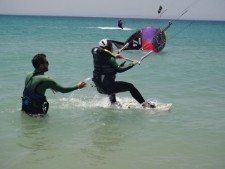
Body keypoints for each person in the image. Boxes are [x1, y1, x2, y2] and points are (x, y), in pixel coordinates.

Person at [91, 39, 155, 108]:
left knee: (111, 83)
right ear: (108, 48)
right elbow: (119, 69)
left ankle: (113, 103)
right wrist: (132, 64)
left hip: (99, 86)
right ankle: (144, 104)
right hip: (106, 88)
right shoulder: (110, 58)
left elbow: (103, 56)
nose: (112, 48)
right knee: (130, 86)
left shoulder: (97, 54)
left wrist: (114, 56)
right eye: (111, 47)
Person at [21, 53, 86, 116]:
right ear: (41, 65)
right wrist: (78, 86)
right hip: (36, 114)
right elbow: (64, 90)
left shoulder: (28, 75)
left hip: (25, 109)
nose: (48, 64)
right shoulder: (46, 80)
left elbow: (34, 87)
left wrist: (49, 85)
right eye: (46, 62)